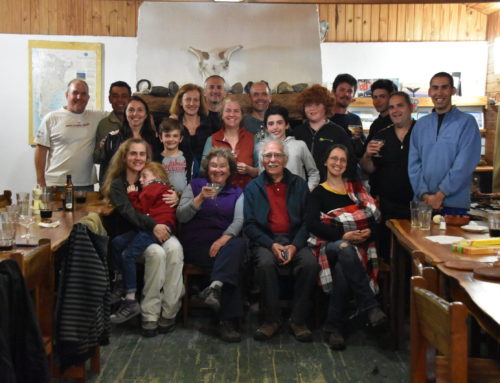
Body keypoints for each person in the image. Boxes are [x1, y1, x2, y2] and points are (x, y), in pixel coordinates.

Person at [306, 144, 386, 351]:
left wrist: (369, 231)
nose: (338, 163)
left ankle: (333, 328)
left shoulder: (357, 189)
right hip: (328, 247)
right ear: (325, 162)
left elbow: (375, 220)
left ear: (347, 164)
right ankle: (370, 305)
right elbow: (313, 224)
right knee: (343, 247)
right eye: (334, 158)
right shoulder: (317, 193)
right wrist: (343, 235)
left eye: (342, 160)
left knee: (344, 267)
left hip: (360, 248)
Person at [102, 138, 183, 337]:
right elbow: (130, 212)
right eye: (133, 153)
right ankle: (149, 313)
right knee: (156, 253)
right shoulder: (118, 184)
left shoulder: (150, 178)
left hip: (157, 228)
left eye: (142, 154)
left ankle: (170, 310)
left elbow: (165, 192)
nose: (138, 158)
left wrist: (177, 196)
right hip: (138, 233)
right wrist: (154, 226)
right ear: (124, 157)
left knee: (175, 249)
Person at [244, 139, 319, 342]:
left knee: (310, 264)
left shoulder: (299, 184)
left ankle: (298, 320)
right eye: (268, 156)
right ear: (262, 161)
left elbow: (307, 222)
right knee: (266, 264)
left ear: (285, 160)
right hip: (265, 241)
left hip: (295, 239)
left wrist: (294, 245)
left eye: (277, 155)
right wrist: (271, 244)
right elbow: (249, 225)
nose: (273, 160)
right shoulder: (253, 187)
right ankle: (271, 320)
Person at [177, 148, 245, 342]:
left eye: (223, 166)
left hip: (223, 243)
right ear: (207, 169)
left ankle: (214, 287)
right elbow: (181, 216)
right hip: (197, 244)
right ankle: (228, 322)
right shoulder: (195, 185)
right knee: (232, 266)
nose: (218, 169)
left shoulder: (237, 192)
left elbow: (239, 220)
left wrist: (223, 238)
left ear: (230, 170)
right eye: (214, 165)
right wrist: (199, 199)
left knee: (236, 245)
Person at [109, 162, 177, 325]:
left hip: (156, 228)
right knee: (117, 242)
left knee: (128, 255)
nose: (140, 180)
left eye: (144, 176)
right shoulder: (160, 189)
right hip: (148, 227)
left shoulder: (154, 187)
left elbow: (140, 208)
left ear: (157, 177)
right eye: (140, 176)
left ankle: (130, 299)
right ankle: (119, 279)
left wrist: (132, 194)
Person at [409, 72, 481, 211]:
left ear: (453, 91)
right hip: (423, 205)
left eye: (444, 87)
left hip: (454, 206)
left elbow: (464, 164)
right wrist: (425, 196)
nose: (439, 92)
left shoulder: (467, 123)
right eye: (435, 88)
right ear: (429, 92)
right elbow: (413, 164)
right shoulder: (420, 125)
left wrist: (440, 195)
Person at [34, 79, 107, 190]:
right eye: (75, 93)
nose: (79, 97)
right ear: (67, 95)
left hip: (85, 185)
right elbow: (41, 150)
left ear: (88, 98)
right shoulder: (51, 118)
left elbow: (124, 114)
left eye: (83, 94)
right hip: (56, 184)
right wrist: (40, 181)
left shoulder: (97, 117)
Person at [292, 84, 357, 182]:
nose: (312, 109)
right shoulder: (296, 133)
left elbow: (350, 163)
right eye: (308, 105)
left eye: (317, 104)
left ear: (326, 107)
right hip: (301, 188)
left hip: (329, 189)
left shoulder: (338, 132)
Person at [257, 105, 319, 191]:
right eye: (271, 124)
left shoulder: (300, 146)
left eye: (279, 123)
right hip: (272, 199)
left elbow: (314, 173)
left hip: (297, 200)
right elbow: (261, 177)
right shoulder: (262, 148)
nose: (275, 127)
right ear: (266, 128)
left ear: (286, 125)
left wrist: (306, 191)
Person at [101, 95, 161, 181]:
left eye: (140, 110)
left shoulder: (155, 138)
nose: (135, 114)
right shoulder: (113, 138)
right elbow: (105, 169)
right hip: (120, 188)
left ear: (146, 115)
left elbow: (157, 166)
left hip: (147, 187)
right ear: (125, 113)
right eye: (131, 110)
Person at [203, 97, 259, 189]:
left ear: (241, 115)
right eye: (228, 111)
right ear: (222, 115)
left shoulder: (253, 139)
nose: (232, 114)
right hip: (219, 194)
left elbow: (261, 170)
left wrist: (249, 170)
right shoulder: (212, 139)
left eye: (236, 111)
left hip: (247, 194)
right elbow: (203, 170)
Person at [170, 83, 213, 179]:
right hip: (178, 175)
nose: (192, 104)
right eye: (188, 99)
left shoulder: (209, 123)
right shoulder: (174, 124)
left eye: (196, 100)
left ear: (200, 102)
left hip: (205, 176)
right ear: (180, 102)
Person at [94, 81, 132, 183]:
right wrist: (102, 149)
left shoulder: (137, 122)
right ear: (109, 98)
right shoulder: (103, 124)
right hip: (109, 182)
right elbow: (96, 159)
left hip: (134, 181)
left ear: (129, 98)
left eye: (124, 96)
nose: (120, 100)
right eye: (115, 96)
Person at [330, 74, 365, 158]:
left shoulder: (355, 119)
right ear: (334, 92)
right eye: (342, 90)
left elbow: (359, 151)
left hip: (351, 168)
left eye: (350, 91)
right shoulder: (324, 118)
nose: (346, 94)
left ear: (353, 95)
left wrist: (358, 140)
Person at [157, 118, 189, 194]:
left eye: (175, 136)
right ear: (161, 138)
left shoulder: (188, 157)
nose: (171, 139)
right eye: (167, 136)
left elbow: (193, 178)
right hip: (165, 198)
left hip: (185, 199)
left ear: (180, 138)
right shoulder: (156, 160)